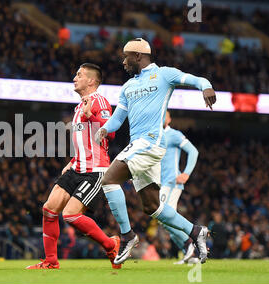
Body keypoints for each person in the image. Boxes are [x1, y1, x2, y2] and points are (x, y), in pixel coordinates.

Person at [95, 38, 217, 265]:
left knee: (109, 178)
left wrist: (206, 86)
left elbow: (196, 79)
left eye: (126, 56)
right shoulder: (128, 87)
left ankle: (127, 236)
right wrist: (103, 129)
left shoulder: (164, 74)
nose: (123, 61)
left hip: (149, 143)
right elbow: (117, 119)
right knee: (152, 207)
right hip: (140, 147)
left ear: (139, 56)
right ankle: (195, 231)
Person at [26, 63, 120, 270]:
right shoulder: (79, 106)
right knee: (49, 209)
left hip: (95, 171)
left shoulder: (100, 102)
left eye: (79, 75)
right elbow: (85, 140)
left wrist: (91, 116)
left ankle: (110, 244)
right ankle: (51, 261)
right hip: (77, 167)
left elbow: (111, 133)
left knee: (70, 215)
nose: (74, 77)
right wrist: (72, 160)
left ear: (91, 81)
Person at [160, 110, 199, 264]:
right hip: (160, 183)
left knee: (164, 217)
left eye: (165, 115)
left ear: (169, 119)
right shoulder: (152, 136)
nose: (161, 117)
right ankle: (190, 254)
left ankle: (190, 244)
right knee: (168, 222)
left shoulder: (174, 134)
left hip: (171, 182)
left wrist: (186, 173)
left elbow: (193, 151)